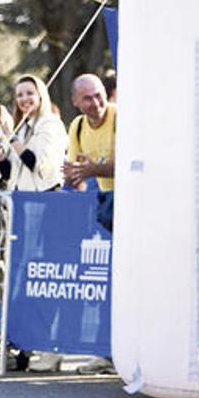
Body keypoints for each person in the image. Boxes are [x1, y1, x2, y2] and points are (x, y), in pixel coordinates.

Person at [63, 73, 117, 375]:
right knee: (106, 283)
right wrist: (74, 175)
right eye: (88, 98)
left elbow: (130, 162)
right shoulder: (78, 126)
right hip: (105, 206)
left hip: (132, 205)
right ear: (75, 101)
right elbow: (77, 174)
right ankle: (107, 351)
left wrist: (90, 169)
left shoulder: (119, 117)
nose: (96, 103)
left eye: (99, 95)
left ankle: (118, 351)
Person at [0, 73, 68, 191]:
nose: (24, 99)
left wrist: (10, 135)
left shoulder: (51, 124)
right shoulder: (20, 129)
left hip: (45, 195)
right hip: (19, 196)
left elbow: (35, 164)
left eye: (30, 93)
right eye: (19, 95)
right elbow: (7, 172)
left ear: (41, 95)